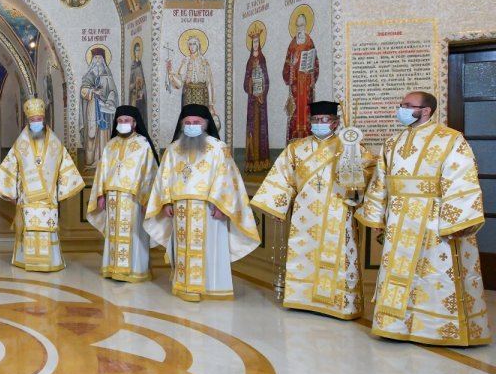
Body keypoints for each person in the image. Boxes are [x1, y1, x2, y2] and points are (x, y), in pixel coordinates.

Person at [357, 92, 490, 346]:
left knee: (434, 274)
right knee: (398, 273)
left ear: (426, 110)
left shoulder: (450, 139)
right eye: (401, 105)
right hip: (398, 219)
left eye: (408, 106)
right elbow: (381, 182)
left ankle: (436, 329)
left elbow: (462, 178)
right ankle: (395, 325)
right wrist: (376, 217)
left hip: (434, 219)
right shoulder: (392, 143)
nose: (401, 109)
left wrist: (456, 221)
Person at [252, 101, 373, 320]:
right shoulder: (296, 148)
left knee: (339, 254)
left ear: (335, 123)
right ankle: (301, 298)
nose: (319, 124)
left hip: (338, 211)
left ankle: (339, 304)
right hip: (304, 214)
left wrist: (355, 172)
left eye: (324, 120)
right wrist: (278, 207)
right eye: (315, 120)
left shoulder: (350, 147)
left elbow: (368, 175)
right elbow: (283, 177)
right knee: (303, 253)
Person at [144, 105, 259, 301]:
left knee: (209, 249)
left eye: (196, 123)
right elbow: (164, 178)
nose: (192, 126)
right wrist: (165, 203)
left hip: (209, 209)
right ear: (182, 125)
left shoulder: (218, 148)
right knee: (183, 249)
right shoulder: (173, 149)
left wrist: (223, 207)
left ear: (205, 124)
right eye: (188, 123)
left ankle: (211, 287)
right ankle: (184, 285)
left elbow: (227, 178)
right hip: (180, 210)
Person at [0, 98, 85, 271]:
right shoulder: (20, 144)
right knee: (29, 227)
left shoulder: (56, 145)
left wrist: (64, 190)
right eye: (33, 120)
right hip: (26, 198)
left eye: (39, 119)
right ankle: (27, 260)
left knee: (47, 226)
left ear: (44, 120)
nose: (36, 123)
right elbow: (10, 168)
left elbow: (65, 168)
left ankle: (51, 261)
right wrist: (10, 193)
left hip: (48, 199)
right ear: (28, 121)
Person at [86, 105, 158, 283]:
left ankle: (135, 271)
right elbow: (102, 171)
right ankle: (113, 268)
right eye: (119, 121)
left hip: (133, 199)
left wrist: (147, 199)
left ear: (134, 123)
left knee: (134, 234)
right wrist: (100, 194)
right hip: (112, 198)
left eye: (126, 121)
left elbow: (150, 172)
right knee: (113, 234)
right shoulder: (110, 145)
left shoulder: (143, 144)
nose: (123, 123)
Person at [282, 11, 318, 141]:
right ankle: (294, 139)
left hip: (306, 85)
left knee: (307, 110)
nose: (299, 29)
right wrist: (293, 65)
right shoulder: (292, 44)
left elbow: (316, 63)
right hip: (296, 86)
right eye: (297, 26)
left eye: (302, 26)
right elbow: (286, 65)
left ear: (306, 26)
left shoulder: (309, 42)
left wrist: (311, 70)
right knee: (295, 111)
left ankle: (308, 138)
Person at [80, 49, 119, 168]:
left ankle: (104, 161)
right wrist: (93, 91)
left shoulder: (108, 77)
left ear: (103, 60)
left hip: (104, 110)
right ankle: (90, 161)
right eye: (95, 58)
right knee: (91, 134)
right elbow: (83, 90)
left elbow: (113, 92)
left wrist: (109, 102)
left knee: (104, 134)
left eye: (99, 58)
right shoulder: (88, 76)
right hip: (92, 109)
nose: (97, 61)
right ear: (92, 60)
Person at [243, 28, 271, 171]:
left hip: (260, 102)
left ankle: (262, 160)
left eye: (257, 42)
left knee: (261, 129)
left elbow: (266, 78)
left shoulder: (262, 59)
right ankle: (252, 161)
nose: (255, 44)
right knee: (252, 128)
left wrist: (262, 92)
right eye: (253, 42)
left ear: (259, 43)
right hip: (252, 101)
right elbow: (246, 80)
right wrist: (251, 85)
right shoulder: (249, 61)